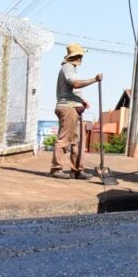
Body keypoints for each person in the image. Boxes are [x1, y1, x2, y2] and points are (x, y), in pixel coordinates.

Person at [51, 43, 102, 180]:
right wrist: (94, 80)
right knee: (65, 139)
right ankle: (56, 168)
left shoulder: (71, 68)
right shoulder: (67, 67)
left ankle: (77, 170)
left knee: (78, 142)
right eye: (81, 56)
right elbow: (75, 83)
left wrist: (82, 100)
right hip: (68, 108)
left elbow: (73, 89)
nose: (82, 59)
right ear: (78, 57)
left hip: (74, 107)